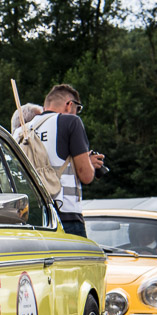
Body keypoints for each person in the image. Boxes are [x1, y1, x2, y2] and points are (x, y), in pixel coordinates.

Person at [31, 84, 105, 238]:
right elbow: (85, 175)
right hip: (66, 213)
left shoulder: (22, 130)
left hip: (32, 216)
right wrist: (89, 163)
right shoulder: (71, 122)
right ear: (69, 105)